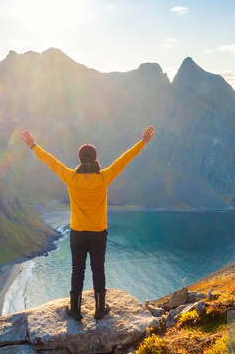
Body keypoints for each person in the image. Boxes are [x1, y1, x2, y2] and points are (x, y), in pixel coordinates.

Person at [21, 126, 155, 321]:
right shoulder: (103, 178)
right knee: (98, 268)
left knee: (78, 269)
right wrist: (142, 142)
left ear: (80, 159)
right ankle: (100, 309)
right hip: (98, 233)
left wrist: (33, 145)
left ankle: (75, 310)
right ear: (95, 158)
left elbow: (51, 162)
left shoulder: (71, 178)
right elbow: (124, 160)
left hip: (77, 232)